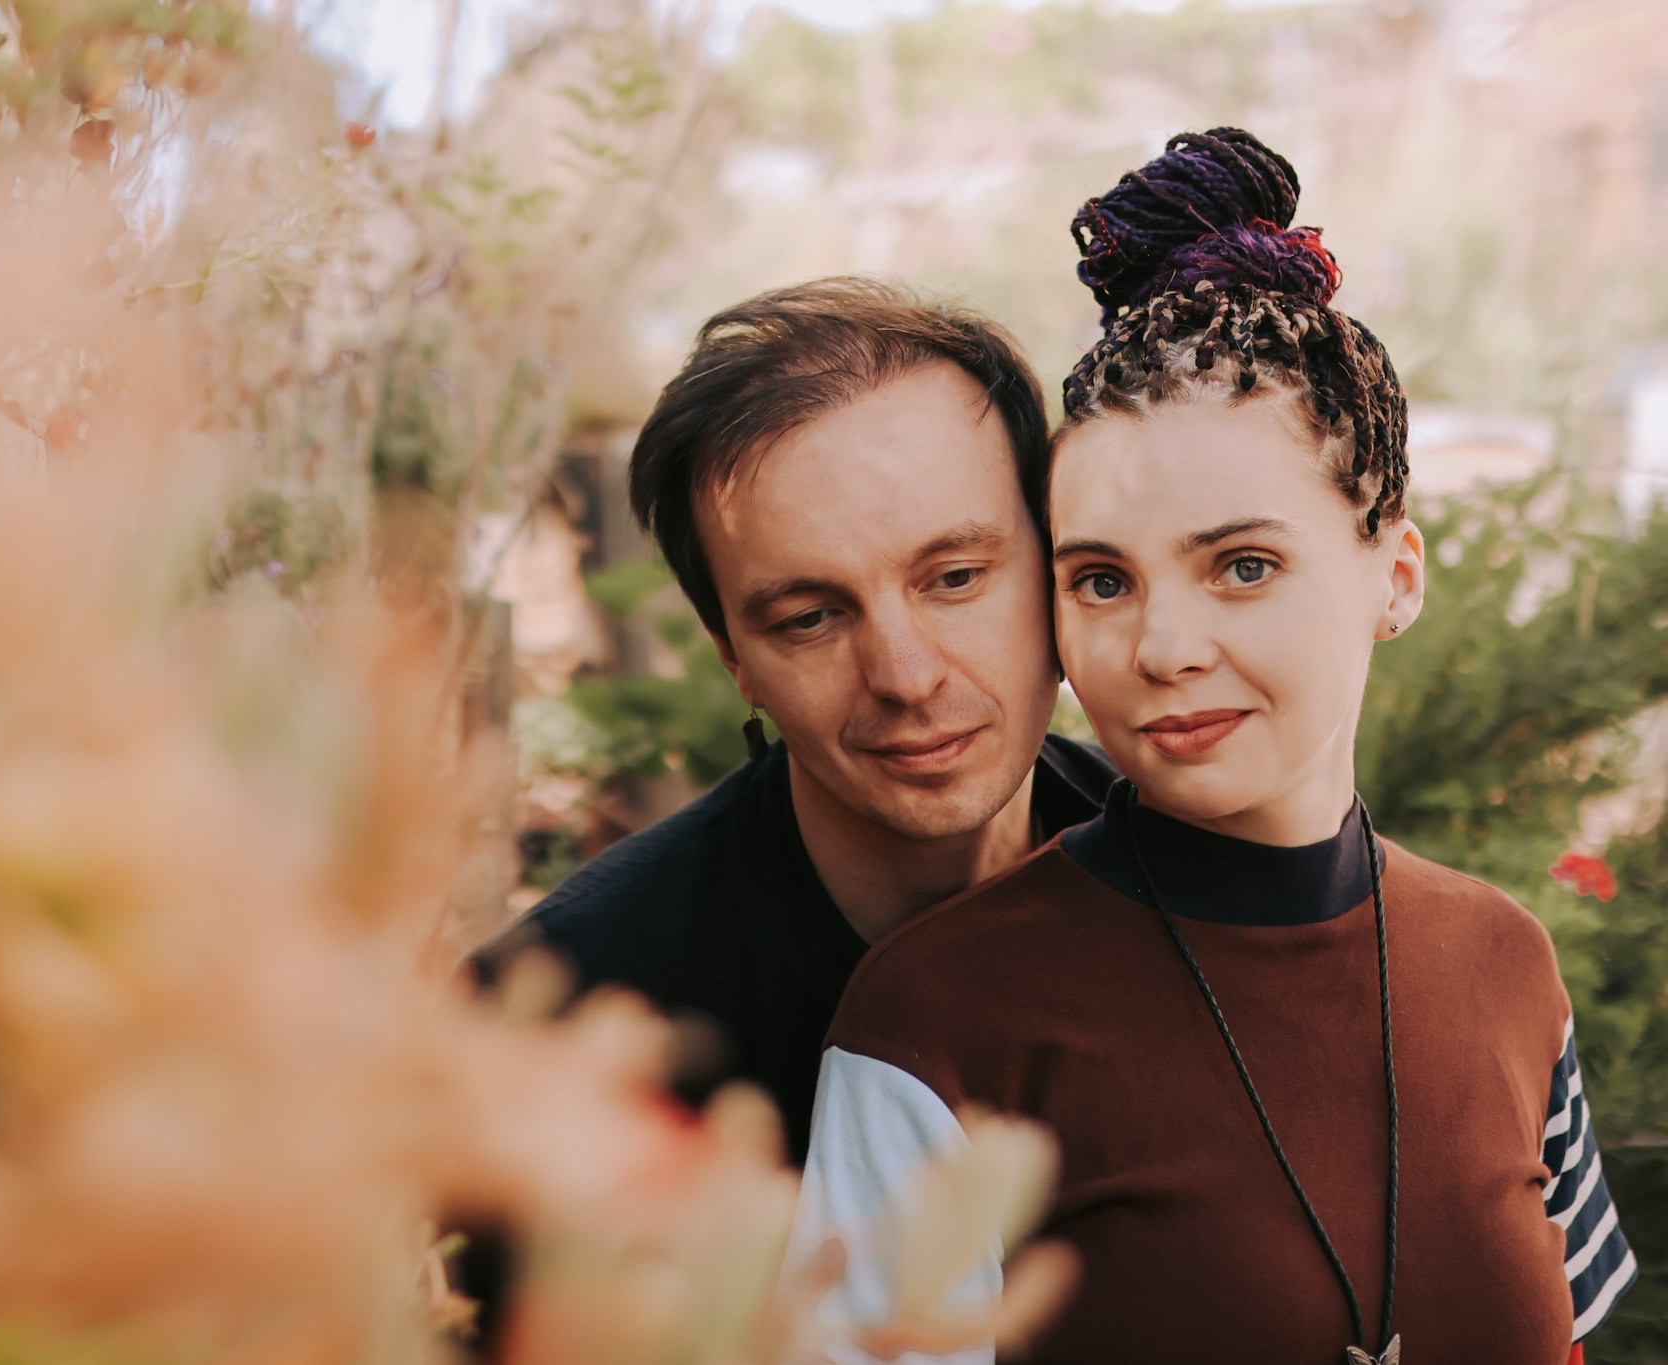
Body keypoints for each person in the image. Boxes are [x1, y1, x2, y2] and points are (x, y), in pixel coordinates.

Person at [793, 129, 1636, 1364]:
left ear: (1391, 575)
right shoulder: (938, 1025)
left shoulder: (1503, 968)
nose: (1162, 647)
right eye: (1100, 580)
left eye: (1242, 566)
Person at [472, 279, 1116, 1167]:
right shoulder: (550, 1026)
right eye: (809, 617)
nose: (906, 675)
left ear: (1058, 566)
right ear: (734, 656)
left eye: (956, 577)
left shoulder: (1211, 896)